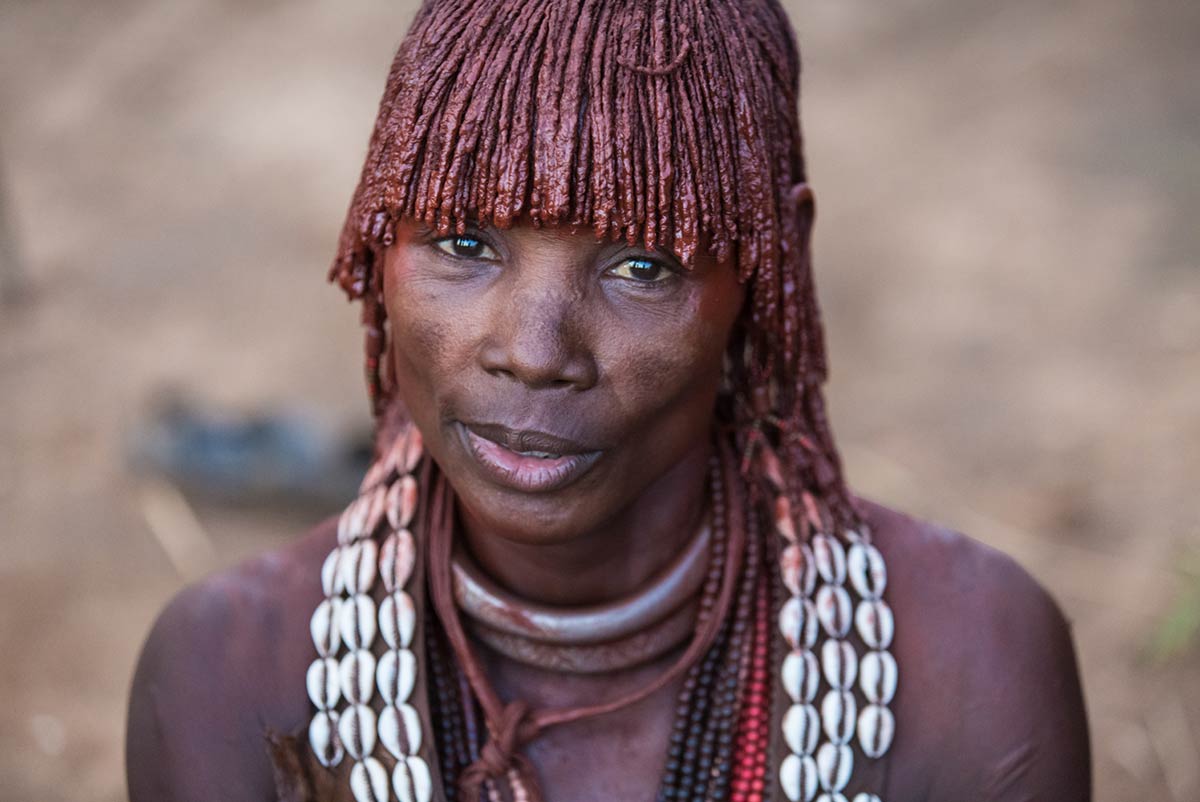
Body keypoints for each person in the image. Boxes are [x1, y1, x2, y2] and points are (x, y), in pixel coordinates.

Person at [125, 1, 1091, 800]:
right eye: (464, 244)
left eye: (642, 264)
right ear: (376, 240)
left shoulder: (970, 672)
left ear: (769, 264)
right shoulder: (230, 679)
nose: (535, 354)